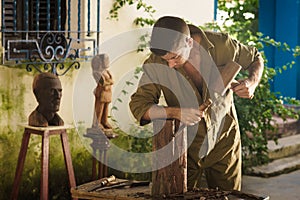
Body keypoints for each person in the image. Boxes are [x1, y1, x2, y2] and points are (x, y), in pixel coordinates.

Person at [129, 16, 264, 191]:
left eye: (175, 57)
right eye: (166, 59)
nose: (169, 65)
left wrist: (251, 83)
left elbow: (254, 58)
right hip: (184, 148)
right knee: (181, 195)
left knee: (229, 196)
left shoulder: (221, 45)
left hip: (224, 140)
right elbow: (139, 107)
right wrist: (176, 113)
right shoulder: (156, 62)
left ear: (189, 42)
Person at [91, 54, 114, 131]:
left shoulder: (107, 72)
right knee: (99, 109)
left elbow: (112, 81)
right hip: (101, 93)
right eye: (106, 60)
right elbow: (102, 83)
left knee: (106, 108)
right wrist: (109, 82)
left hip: (107, 93)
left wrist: (109, 82)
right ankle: (97, 123)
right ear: (101, 62)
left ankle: (104, 121)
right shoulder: (97, 72)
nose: (107, 62)